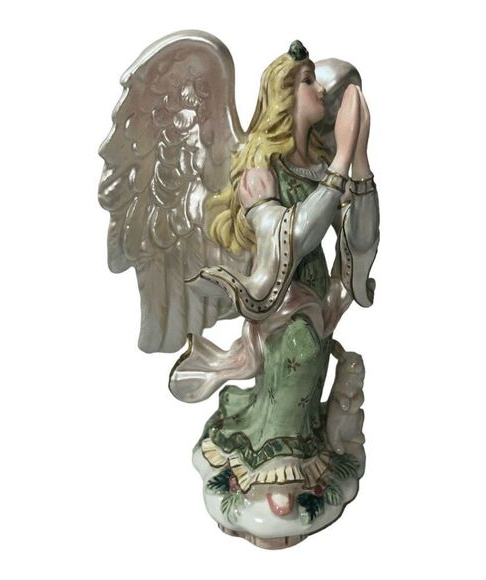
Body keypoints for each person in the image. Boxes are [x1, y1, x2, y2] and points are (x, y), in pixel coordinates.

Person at [169, 41, 379, 512]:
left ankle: (303, 455)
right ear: (284, 94)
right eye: (308, 80)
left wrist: (360, 162)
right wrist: (342, 160)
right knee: (299, 355)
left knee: (312, 364)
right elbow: (292, 237)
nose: (320, 89)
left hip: (319, 303)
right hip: (280, 307)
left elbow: (360, 238)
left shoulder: (319, 165)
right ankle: (271, 473)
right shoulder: (259, 171)